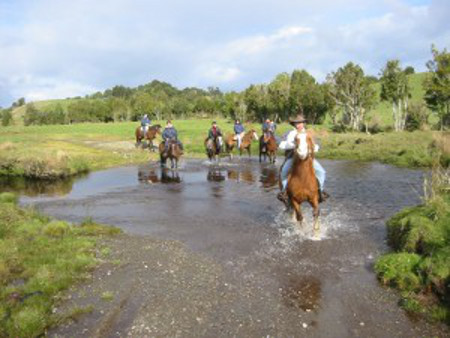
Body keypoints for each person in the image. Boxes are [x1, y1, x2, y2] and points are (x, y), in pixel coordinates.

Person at [277, 113, 329, 204]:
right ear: (294, 125)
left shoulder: (309, 133)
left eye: (300, 123)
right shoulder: (290, 133)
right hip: (293, 157)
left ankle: (320, 191)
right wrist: (294, 145)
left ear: (303, 123)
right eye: (297, 123)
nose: (299, 125)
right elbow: (281, 144)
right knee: (284, 172)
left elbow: (317, 145)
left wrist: (311, 148)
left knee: (322, 172)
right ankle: (284, 192)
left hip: (308, 158)